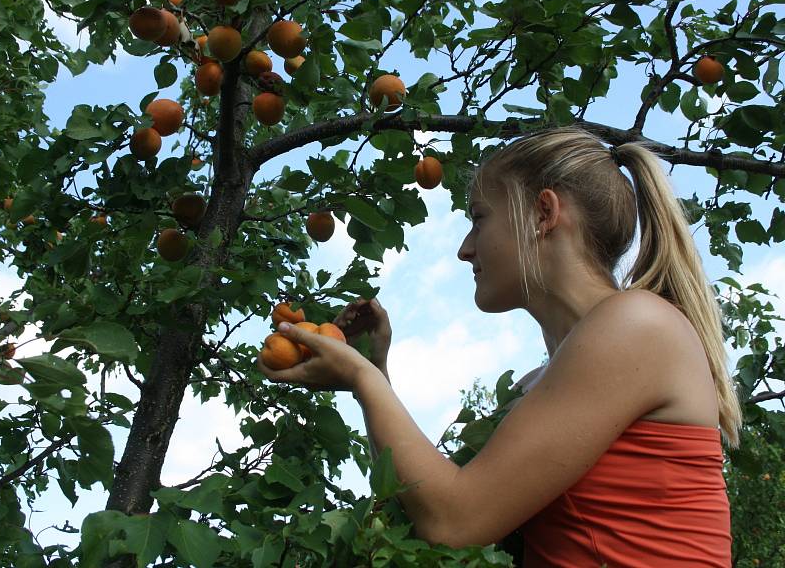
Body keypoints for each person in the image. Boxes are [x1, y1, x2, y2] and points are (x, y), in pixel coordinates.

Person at [256, 126, 743, 567]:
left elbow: (455, 522)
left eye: (479, 219)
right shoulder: (547, 378)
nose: (465, 248)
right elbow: (447, 501)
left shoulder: (637, 325)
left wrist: (362, 382)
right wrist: (375, 372)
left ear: (544, 214)